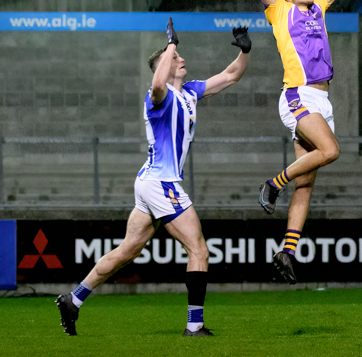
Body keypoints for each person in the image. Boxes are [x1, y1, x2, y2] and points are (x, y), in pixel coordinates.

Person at [56, 19, 252, 337]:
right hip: (162, 183)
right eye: (176, 58)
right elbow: (159, 85)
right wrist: (170, 45)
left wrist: (245, 50)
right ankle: (194, 325)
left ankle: (73, 299)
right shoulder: (157, 98)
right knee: (199, 249)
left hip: (150, 182)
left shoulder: (189, 92)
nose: (182, 59)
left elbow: (230, 76)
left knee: (129, 250)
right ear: (165, 63)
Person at [256, 0, 352, 284]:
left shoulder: (318, 7)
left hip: (320, 100)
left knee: (308, 181)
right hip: (298, 95)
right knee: (330, 152)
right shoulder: (279, 10)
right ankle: (273, 183)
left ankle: (287, 251)